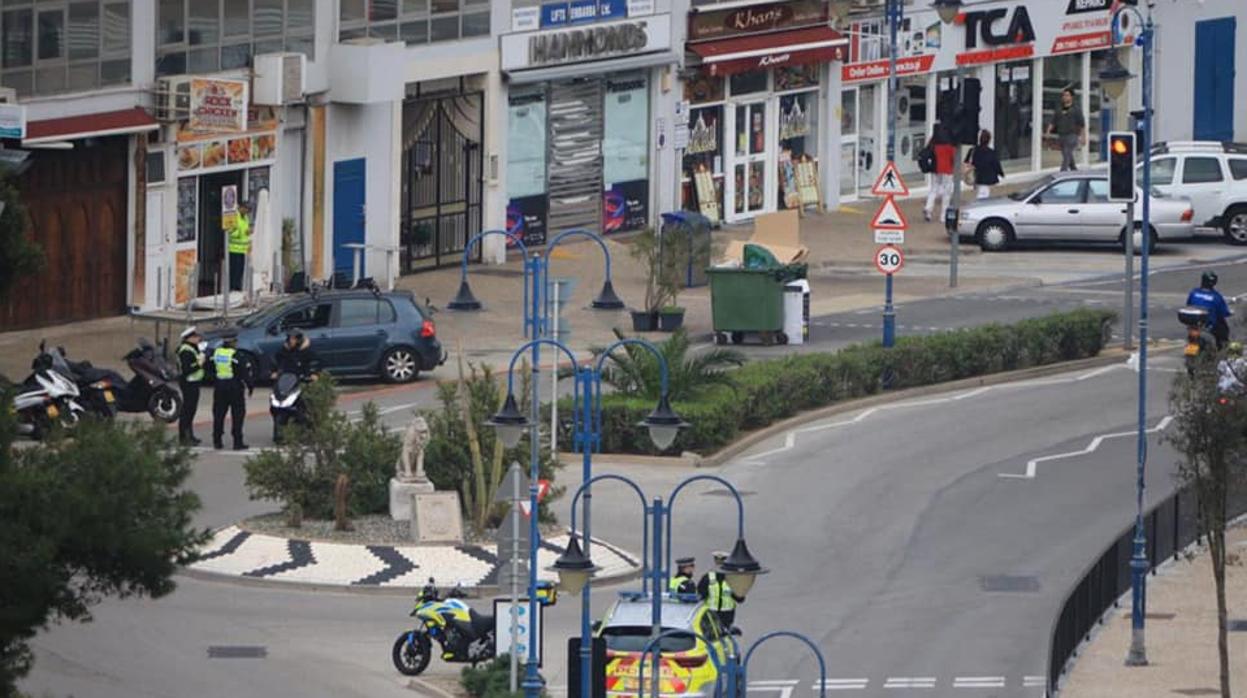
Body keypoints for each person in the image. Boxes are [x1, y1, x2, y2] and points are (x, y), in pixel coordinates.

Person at [211, 332, 253, 450]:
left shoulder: (217, 353)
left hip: (219, 387)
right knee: (238, 415)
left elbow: (210, 367)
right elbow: (245, 373)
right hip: (234, 388)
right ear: (233, 342)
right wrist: (250, 386)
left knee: (219, 414)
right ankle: (237, 442)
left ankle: (217, 440)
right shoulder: (237, 355)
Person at [175, 326, 207, 446]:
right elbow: (187, 369)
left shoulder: (192, 348)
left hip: (194, 382)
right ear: (190, 338)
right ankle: (184, 437)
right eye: (196, 336)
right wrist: (199, 364)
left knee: (191, 410)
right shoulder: (186, 351)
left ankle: (190, 435)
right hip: (189, 382)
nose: (199, 338)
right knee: (187, 410)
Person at [698, 550, 745, 630]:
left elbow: (740, 598)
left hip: (726, 618)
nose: (719, 565)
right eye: (718, 562)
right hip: (709, 616)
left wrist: (733, 592)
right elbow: (699, 596)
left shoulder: (733, 579)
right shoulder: (707, 578)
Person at [1187, 271, 1233, 349]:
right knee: (1223, 331)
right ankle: (1221, 349)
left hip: (1195, 323)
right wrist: (1230, 312)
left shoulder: (1194, 292)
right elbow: (1223, 312)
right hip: (1209, 325)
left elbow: (1188, 304)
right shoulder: (1216, 296)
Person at [923, 124, 956, 224]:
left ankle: (928, 209)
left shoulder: (932, 144)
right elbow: (954, 159)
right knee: (947, 193)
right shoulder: (950, 145)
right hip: (947, 170)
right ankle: (943, 216)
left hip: (935, 170)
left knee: (933, 189)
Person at [1046, 88, 1085, 172]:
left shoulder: (1076, 109)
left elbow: (1081, 124)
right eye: (1063, 95)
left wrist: (1083, 137)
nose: (1065, 97)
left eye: (1067, 95)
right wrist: (1048, 131)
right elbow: (1053, 121)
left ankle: (1062, 173)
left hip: (1072, 135)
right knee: (1068, 155)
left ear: (1071, 97)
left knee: (1067, 155)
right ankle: (1074, 171)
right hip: (1062, 135)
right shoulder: (1059, 109)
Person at [964, 129, 1005, 200]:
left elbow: (966, 161)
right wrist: (1001, 174)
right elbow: (996, 165)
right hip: (986, 178)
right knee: (983, 196)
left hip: (976, 177)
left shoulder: (973, 150)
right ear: (989, 140)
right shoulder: (991, 153)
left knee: (980, 193)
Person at [228, 201, 252, 292]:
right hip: (233, 249)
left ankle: (238, 289)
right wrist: (242, 232)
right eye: (246, 209)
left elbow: (245, 230)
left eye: (249, 210)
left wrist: (248, 232)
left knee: (240, 271)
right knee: (234, 271)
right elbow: (230, 231)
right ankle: (232, 289)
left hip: (242, 250)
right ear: (241, 207)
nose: (247, 212)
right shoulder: (234, 216)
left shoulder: (246, 218)